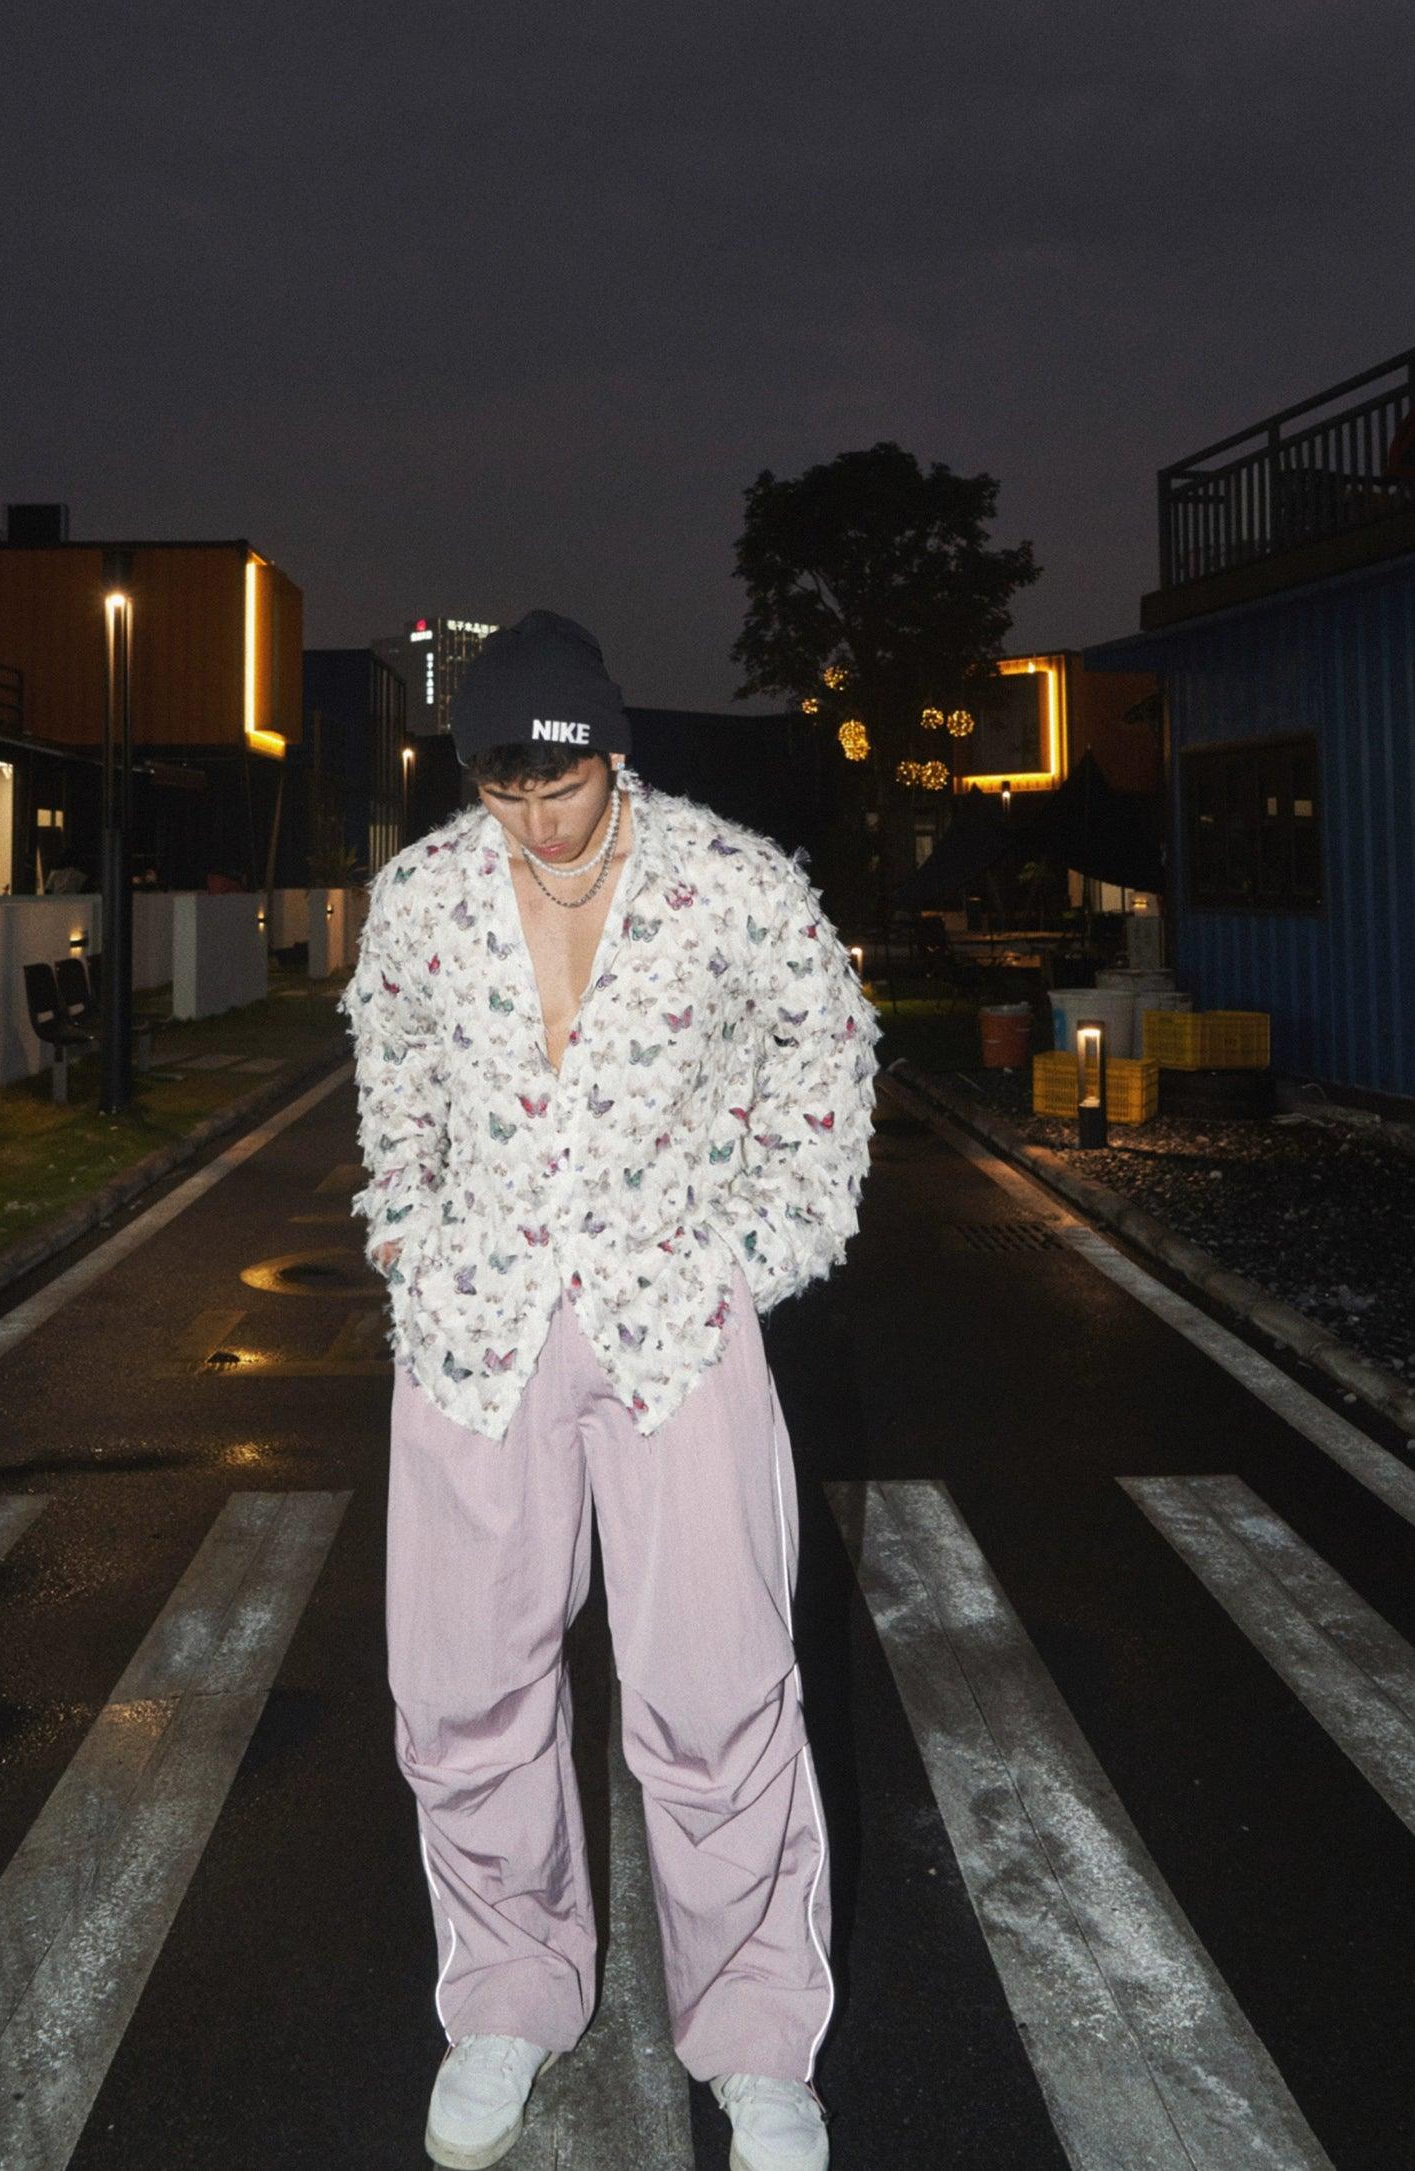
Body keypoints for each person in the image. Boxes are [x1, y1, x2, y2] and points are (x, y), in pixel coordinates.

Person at [341, 611, 879, 2171]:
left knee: (718, 1694)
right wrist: (407, 1233)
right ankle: (508, 1997)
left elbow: (828, 1053)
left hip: (671, 1333)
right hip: (476, 1337)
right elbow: (391, 1072)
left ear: (610, 750)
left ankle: (761, 2040)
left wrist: (758, 1255)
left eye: (558, 789)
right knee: (465, 1695)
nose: (535, 821)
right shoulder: (426, 899)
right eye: (504, 793)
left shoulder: (731, 885)